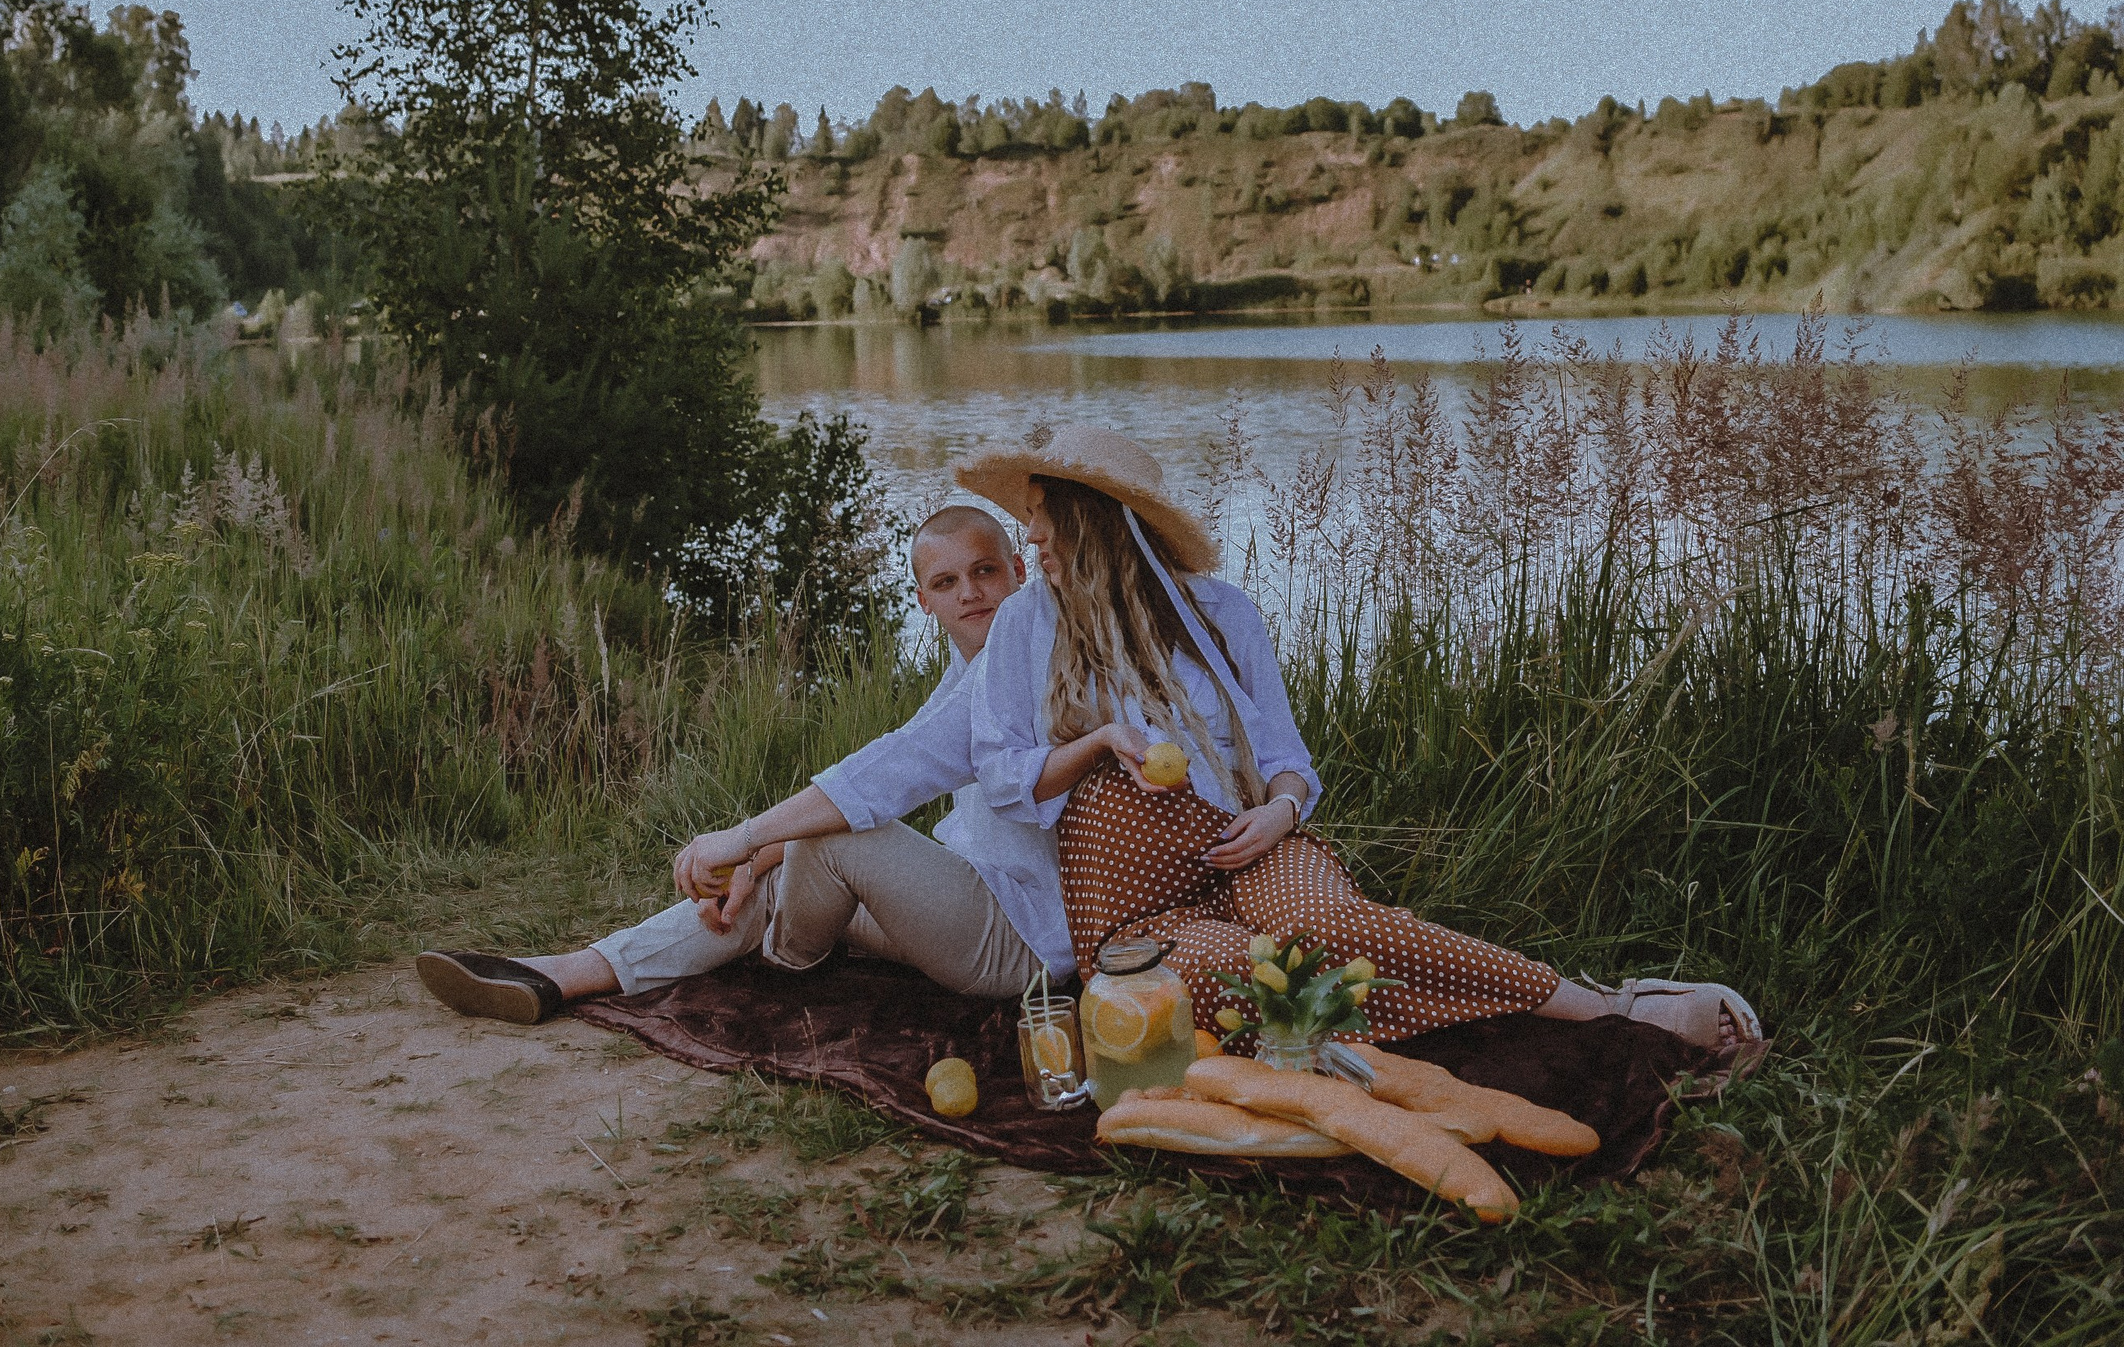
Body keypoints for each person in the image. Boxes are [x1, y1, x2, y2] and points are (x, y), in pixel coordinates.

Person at [958, 422, 1766, 1073]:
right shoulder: (1026, 626)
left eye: (1038, 512)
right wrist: (1100, 739)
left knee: (1327, 930)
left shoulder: (1220, 614)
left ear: (1091, 516)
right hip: (1136, 907)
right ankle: (1504, 1024)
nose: (1027, 536)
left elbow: (1288, 759)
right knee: (1247, 978)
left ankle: (1608, 1009)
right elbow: (1000, 777)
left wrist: (1278, 813)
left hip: (1249, 851)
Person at [416, 503, 1074, 1025]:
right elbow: (890, 772)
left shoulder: (1026, 663)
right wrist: (755, 858)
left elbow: (892, 771)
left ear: (1019, 570)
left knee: (830, 834)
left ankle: (782, 958)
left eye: (986, 571)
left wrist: (751, 838)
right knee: (768, 864)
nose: (972, 592)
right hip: (962, 910)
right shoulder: (968, 673)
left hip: (1018, 943)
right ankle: (566, 972)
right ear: (924, 601)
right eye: (946, 581)